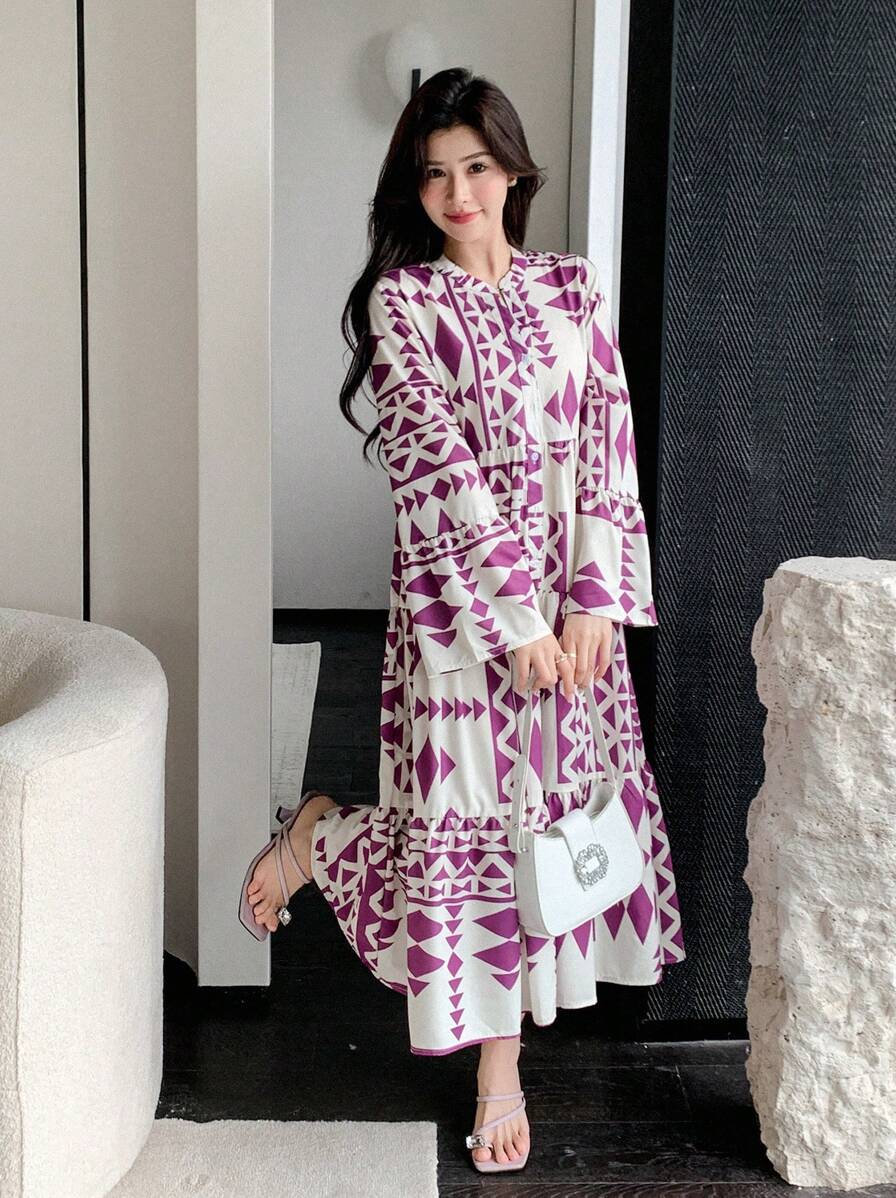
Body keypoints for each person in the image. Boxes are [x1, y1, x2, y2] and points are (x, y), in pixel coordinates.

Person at [242, 66, 686, 1173]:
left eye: (477, 167)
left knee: (552, 831)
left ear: (513, 171)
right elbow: (438, 477)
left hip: (572, 623)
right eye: (435, 174)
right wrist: (514, 620)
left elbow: (608, 447)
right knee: (473, 845)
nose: (458, 193)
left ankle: (319, 834)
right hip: (462, 621)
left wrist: (591, 599)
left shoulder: (573, 289)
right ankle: (498, 1068)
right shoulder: (406, 305)